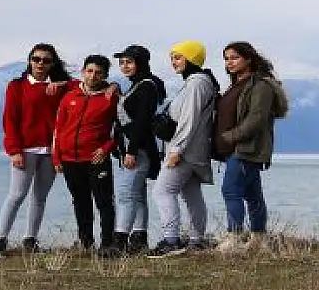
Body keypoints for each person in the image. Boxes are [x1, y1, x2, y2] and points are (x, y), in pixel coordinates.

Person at [0, 43, 73, 258]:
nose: (40, 64)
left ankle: (30, 240)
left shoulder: (61, 87)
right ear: (29, 60)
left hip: (50, 151)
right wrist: (14, 150)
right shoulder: (16, 87)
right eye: (36, 59)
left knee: (40, 198)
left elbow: (85, 84)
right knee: (16, 195)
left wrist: (60, 83)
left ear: (52, 63)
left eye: (46, 60)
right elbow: (9, 121)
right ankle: (0, 240)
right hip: (25, 150)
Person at [147, 40, 220, 258]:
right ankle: (197, 240)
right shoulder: (198, 82)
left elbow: (189, 119)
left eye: (178, 58)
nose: (174, 63)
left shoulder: (197, 84)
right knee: (191, 194)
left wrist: (176, 149)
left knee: (162, 191)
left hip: (185, 150)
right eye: (172, 58)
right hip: (194, 149)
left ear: (192, 59)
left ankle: (171, 240)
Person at [52, 55, 121, 252]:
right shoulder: (70, 97)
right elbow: (58, 128)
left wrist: (106, 148)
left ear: (105, 75)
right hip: (69, 159)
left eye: (98, 72)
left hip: (96, 159)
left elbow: (121, 129)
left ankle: (107, 244)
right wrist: (57, 157)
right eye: (89, 71)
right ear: (83, 72)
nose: (93, 76)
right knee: (80, 202)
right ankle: (85, 243)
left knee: (104, 202)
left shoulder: (111, 98)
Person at [215, 41, 283, 236]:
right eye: (226, 59)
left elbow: (257, 118)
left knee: (230, 191)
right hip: (233, 149)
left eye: (235, 57)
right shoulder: (234, 85)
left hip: (246, 148)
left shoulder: (261, 85)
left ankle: (234, 238)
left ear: (249, 59)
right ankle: (259, 238)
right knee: (253, 195)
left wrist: (231, 137)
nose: (230, 62)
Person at [110, 44, 167, 255]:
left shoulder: (146, 87)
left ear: (140, 63)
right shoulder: (138, 85)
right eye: (122, 62)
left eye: (129, 62)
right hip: (133, 149)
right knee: (138, 196)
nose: (124, 66)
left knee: (125, 195)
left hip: (138, 150)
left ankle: (119, 242)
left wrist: (131, 151)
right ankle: (139, 238)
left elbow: (142, 121)